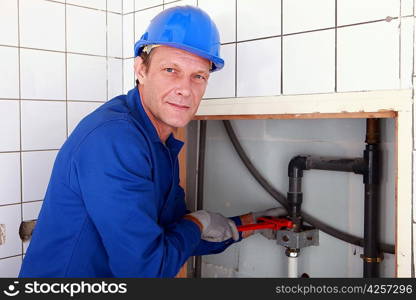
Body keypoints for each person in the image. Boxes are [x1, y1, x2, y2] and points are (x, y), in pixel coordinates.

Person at [19, 6, 286, 278]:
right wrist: (199, 222)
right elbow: (147, 270)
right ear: (141, 70)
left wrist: (243, 225)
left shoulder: (158, 141)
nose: (185, 88)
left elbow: (171, 235)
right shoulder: (114, 140)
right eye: (171, 70)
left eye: (199, 76)